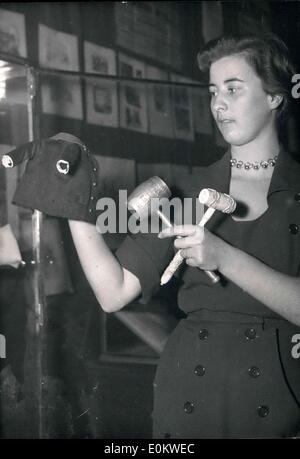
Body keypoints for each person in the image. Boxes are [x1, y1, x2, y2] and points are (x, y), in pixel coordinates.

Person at [4, 32, 300, 438]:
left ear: (275, 97)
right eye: (213, 91)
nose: (218, 103)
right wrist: (75, 207)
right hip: (192, 395)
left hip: (280, 397)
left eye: (234, 88)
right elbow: (115, 291)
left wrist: (224, 257)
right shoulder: (189, 193)